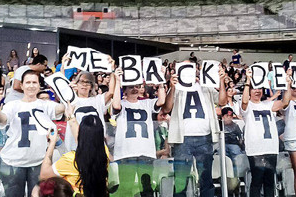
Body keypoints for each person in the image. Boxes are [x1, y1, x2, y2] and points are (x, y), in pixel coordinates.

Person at [0, 70, 65, 197]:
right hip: (12, 161)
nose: (31, 85)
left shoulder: (46, 105)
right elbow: (2, 119)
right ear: (21, 85)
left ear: (39, 85)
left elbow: (64, 107)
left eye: (34, 82)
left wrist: (68, 93)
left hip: (38, 161)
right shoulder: (12, 105)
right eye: (28, 82)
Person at [163, 58, 227, 196]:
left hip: (204, 137)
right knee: (181, 180)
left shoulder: (205, 86)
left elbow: (222, 101)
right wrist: (172, 87)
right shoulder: (177, 88)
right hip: (183, 138)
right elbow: (167, 108)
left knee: (206, 179)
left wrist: (221, 81)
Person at [110, 67, 166, 196]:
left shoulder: (146, 103)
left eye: (137, 86)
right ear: (125, 90)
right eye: (131, 87)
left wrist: (161, 82)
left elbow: (161, 101)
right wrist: (118, 81)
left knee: (147, 189)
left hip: (145, 152)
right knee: (126, 188)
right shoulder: (121, 104)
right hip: (125, 153)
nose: (135, 88)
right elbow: (116, 106)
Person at [241, 68, 289, 196]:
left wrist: (288, 84)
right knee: (256, 181)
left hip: (271, 148)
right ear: (249, 90)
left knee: (269, 182)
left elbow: (285, 102)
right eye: (254, 89)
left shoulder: (268, 104)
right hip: (256, 149)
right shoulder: (247, 106)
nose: (257, 91)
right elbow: (244, 101)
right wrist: (248, 81)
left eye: (259, 89)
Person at [40, 109, 109, 197]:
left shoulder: (70, 160)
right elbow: (87, 139)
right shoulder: (105, 152)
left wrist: (52, 143)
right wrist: (71, 116)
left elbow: (44, 175)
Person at [60, 54, 115, 151]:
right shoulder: (70, 100)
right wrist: (63, 66)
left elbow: (111, 92)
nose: (84, 85)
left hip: (96, 148)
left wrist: (112, 70)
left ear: (92, 86)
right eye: (81, 81)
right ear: (76, 83)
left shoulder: (98, 100)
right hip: (74, 148)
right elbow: (61, 85)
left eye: (88, 82)